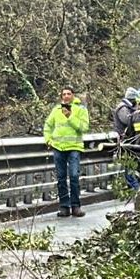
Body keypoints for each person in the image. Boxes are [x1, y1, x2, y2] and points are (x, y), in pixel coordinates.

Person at [42, 86, 90, 217]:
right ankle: (64, 206)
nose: (66, 96)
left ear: (73, 95)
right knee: (61, 177)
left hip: (74, 147)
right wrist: (48, 139)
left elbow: (84, 128)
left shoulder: (80, 110)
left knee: (74, 176)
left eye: (69, 94)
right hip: (58, 147)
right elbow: (48, 125)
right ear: (61, 97)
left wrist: (70, 117)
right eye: (64, 94)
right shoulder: (56, 110)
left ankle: (76, 206)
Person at [111, 87, 140, 191]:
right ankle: (135, 187)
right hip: (125, 141)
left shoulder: (129, 108)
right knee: (129, 165)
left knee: (132, 165)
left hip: (131, 140)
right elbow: (127, 121)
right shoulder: (122, 108)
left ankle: (134, 186)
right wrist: (138, 113)